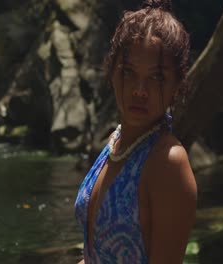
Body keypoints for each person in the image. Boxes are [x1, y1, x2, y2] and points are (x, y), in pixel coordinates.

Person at [74, 0, 197, 263]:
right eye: (128, 72)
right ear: (111, 72)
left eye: (156, 77)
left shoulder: (168, 162)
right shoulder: (115, 142)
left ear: (177, 85)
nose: (139, 90)